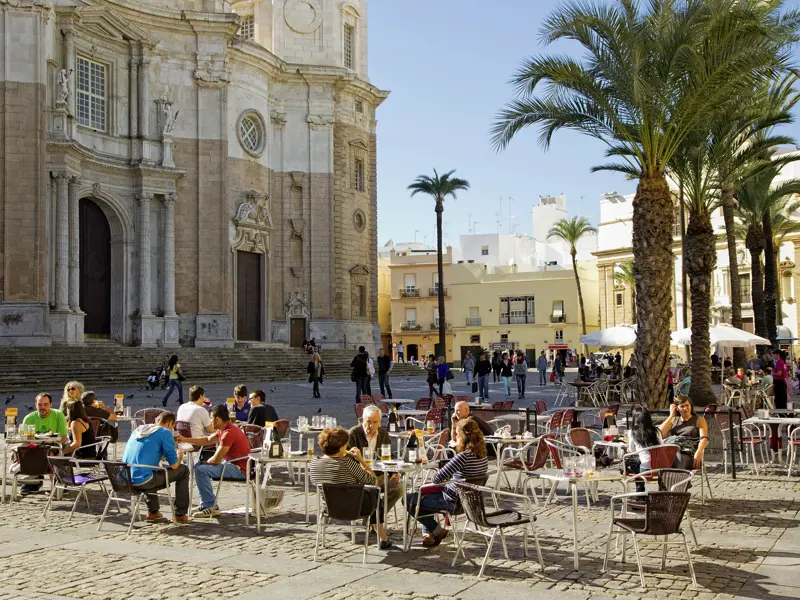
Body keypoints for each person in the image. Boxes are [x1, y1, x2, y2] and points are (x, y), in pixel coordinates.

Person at [407, 418, 488, 546]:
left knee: (409, 500)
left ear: (462, 436)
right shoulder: (483, 455)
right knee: (423, 495)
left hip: (452, 502)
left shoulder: (464, 456)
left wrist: (444, 471)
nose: (455, 436)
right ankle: (430, 532)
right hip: (469, 502)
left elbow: (436, 479)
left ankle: (437, 531)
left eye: (456, 433)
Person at [310, 426, 394, 549]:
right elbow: (373, 481)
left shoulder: (314, 463)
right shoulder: (347, 463)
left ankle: (382, 536)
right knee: (375, 493)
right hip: (354, 508)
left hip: (329, 508)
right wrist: (361, 460)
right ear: (341, 447)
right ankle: (383, 538)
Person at [122, 411, 190, 523]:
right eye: (172, 427)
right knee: (183, 470)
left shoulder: (139, 430)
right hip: (143, 481)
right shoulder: (165, 432)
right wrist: (179, 456)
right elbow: (174, 466)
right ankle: (180, 514)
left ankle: (153, 512)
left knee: (150, 470)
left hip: (125, 479)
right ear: (170, 424)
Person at [187, 405, 251, 518]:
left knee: (201, 469)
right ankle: (206, 503)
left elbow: (216, 460)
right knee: (199, 467)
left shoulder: (228, 433)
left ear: (218, 419)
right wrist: (184, 439)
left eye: (211, 418)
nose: (210, 421)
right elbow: (207, 440)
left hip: (240, 469)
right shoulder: (224, 429)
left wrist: (205, 462)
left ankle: (211, 506)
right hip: (234, 464)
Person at [347, 405, 403, 511]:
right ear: (362, 420)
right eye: (368, 421)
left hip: (379, 476)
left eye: (375, 422)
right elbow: (347, 460)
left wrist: (394, 473)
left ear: (380, 422)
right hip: (360, 477)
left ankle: (377, 516)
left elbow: (390, 456)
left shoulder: (383, 434)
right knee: (370, 490)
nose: (371, 425)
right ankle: (374, 518)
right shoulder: (353, 433)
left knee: (399, 488)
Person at [17, 393, 68, 494]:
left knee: (55, 451)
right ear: (35, 405)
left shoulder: (58, 415)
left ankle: (57, 482)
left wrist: (50, 440)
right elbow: (24, 438)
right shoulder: (29, 418)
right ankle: (32, 480)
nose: (42, 407)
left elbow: (63, 438)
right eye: (40, 405)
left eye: (45, 404)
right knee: (20, 449)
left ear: (51, 404)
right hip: (35, 448)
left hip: (53, 446)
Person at [659, 396, 709, 470]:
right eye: (682, 406)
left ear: (691, 406)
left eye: (687, 405)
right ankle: (678, 480)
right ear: (677, 408)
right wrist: (671, 415)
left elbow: (704, 438)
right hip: (673, 451)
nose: (685, 408)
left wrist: (699, 451)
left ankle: (680, 480)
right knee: (672, 456)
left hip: (690, 453)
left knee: (677, 458)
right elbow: (660, 434)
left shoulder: (699, 420)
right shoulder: (674, 420)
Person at [626, 406, 661, 492]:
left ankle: (640, 489)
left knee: (633, 461)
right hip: (658, 468)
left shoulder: (632, 432)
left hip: (644, 470)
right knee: (640, 461)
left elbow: (632, 451)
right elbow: (661, 446)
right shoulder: (657, 431)